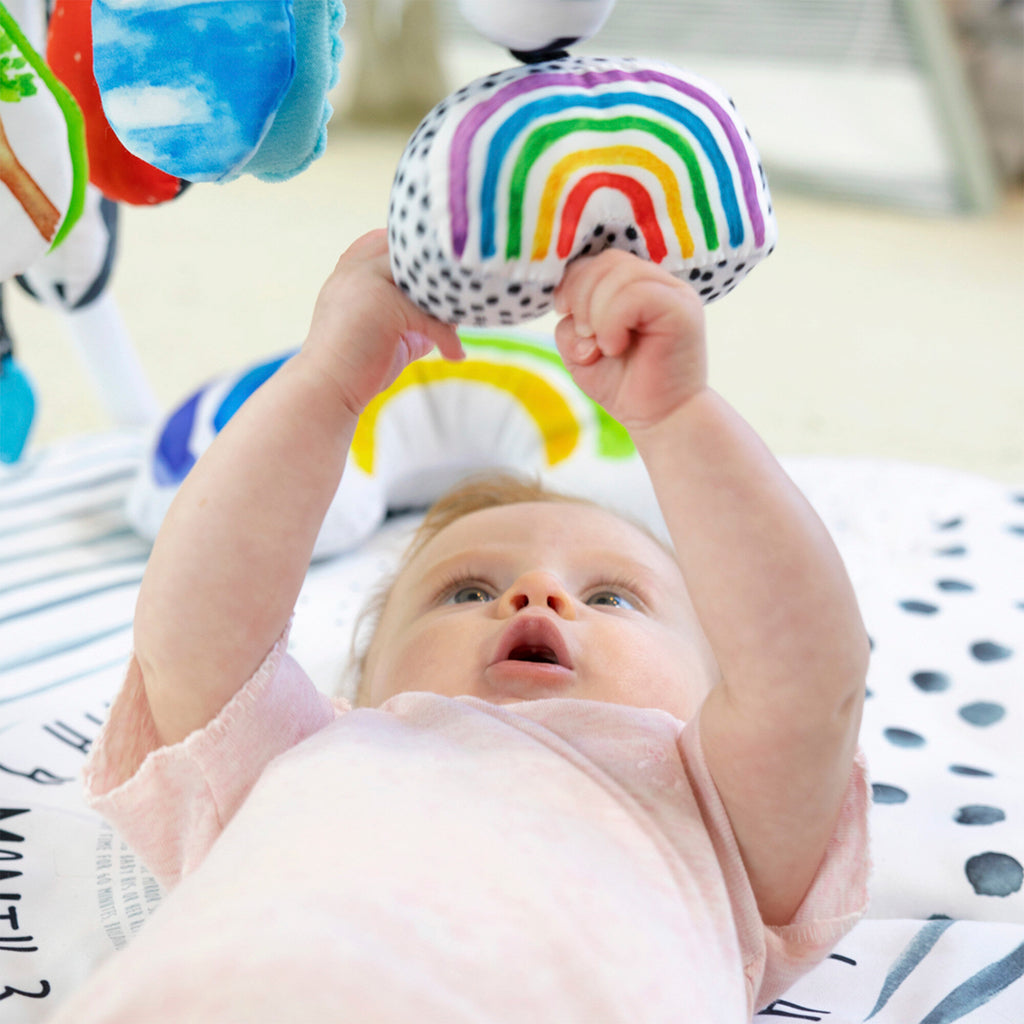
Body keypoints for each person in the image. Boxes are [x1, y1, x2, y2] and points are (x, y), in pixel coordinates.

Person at [47, 230, 870, 1023]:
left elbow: (803, 681)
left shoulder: (714, 805)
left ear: (714, 681)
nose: (537, 594)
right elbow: (198, 627)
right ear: (360, 685)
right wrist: (327, 383)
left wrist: (678, 415)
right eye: (465, 591)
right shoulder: (310, 752)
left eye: (615, 598)